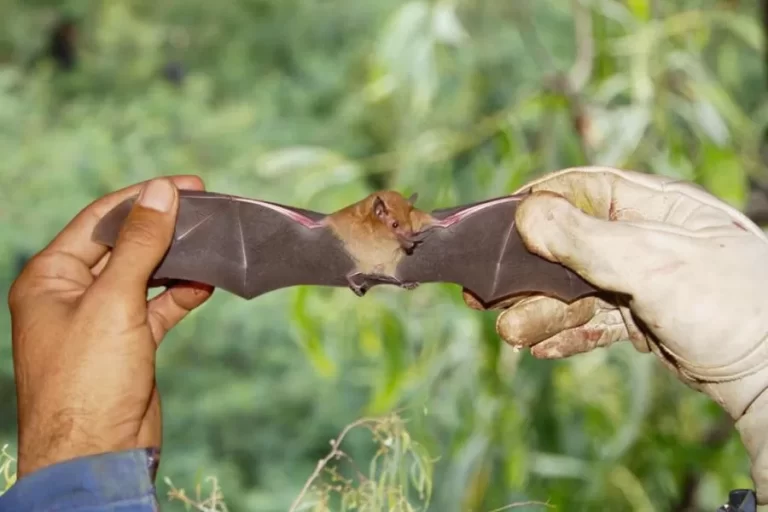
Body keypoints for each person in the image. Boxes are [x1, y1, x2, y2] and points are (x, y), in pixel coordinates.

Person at [0, 166, 766, 511]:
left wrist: (71, 463)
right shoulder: (313, 234)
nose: (401, 229)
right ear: (373, 211)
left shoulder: (432, 233)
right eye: (391, 220)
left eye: (408, 221)